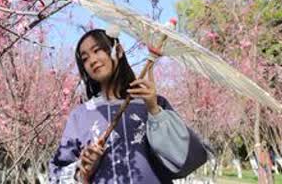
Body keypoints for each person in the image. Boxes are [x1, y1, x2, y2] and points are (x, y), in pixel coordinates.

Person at [49, 28, 209, 183]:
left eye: (97, 50)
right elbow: (56, 172)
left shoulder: (154, 103)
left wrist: (154, 110)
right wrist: (83, 170)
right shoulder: (81, 115)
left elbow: (184, 158)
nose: (92, 60)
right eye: (84, 58)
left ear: (118, 51)